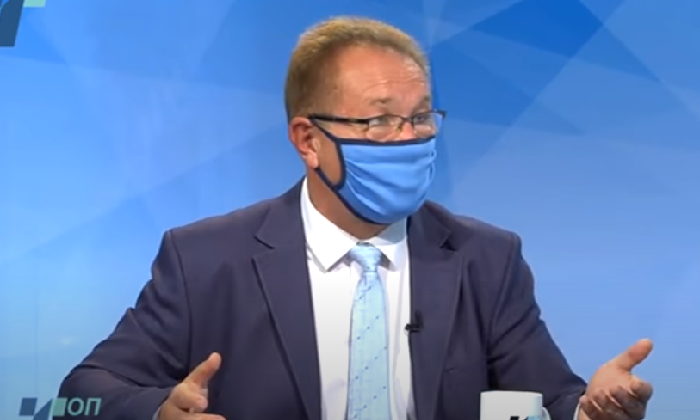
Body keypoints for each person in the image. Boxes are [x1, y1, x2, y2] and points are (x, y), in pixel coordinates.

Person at [57, 16, 654, 420]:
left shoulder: (486, 259)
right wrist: (159, 412)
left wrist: (591, 412)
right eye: (379, 121)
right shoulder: (206, 259)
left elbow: (549, 399)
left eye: (421, 117)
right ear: (307, 140)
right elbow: (82, 394)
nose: (410, 138)